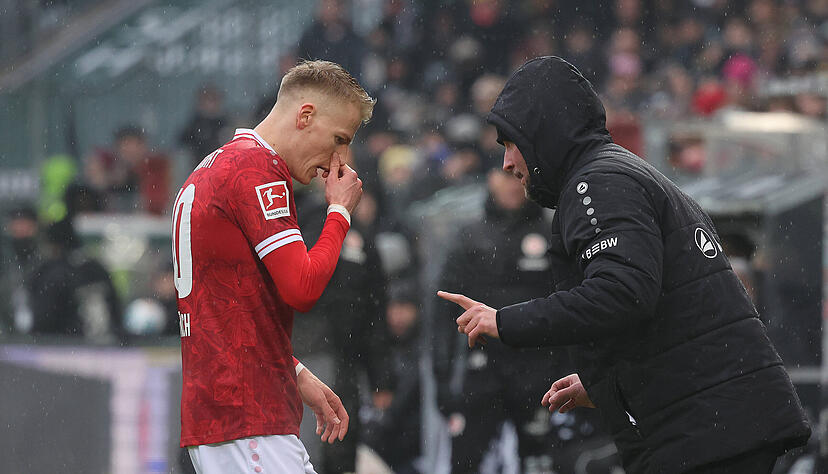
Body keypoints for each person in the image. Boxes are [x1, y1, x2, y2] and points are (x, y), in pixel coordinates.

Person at [438, 56, 811, 474]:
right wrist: (608, 383)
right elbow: (670, 316)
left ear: (542, 134)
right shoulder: (620, 173)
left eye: (510, 143)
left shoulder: (595, 184)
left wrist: (504, 321)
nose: (507, 163)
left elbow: (623, 293)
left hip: (707, 430)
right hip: (721, 419)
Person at [175, 60, 374, 474]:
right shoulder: (256, 169)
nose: (337, 160)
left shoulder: (216, 164)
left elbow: (230, 306)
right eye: (338, 139)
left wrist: (295, 371)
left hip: (227, 411)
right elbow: (302, 288)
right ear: (305, 115)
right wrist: (339, 213)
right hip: (248, 416)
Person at [434, 168, 616, 474]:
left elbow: (571, 305)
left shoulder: (550, 234)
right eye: (504, 177)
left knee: (539, 460)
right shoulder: (469, 235)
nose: (512, 186)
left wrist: (569, 366)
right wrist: (442, 376)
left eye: (517, 178)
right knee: (466, 460)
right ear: (491, 179)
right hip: (482, 367)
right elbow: (443, 313)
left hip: (537, 369)